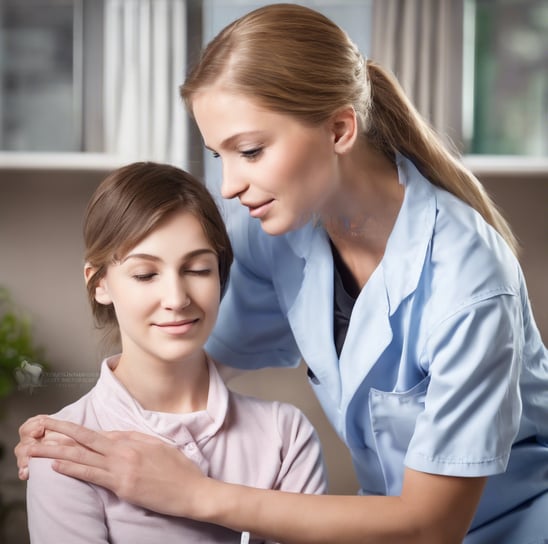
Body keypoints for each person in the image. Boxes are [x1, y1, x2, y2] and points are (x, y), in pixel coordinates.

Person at [16, 3, 548, 543]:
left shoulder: (468, 283)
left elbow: (432, 525)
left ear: (340, 129)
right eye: (218, 155)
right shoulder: (273, 228)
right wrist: (79, 432)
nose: (228, 185)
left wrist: (194, 493)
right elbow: (182, 352)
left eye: (249, 150)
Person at [24, 161, 327, 544]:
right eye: (146, 274)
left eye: (198, 269)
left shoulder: (286, 435)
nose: (177, 299)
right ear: (100, 283)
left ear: (221, 275)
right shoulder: (67, 453)